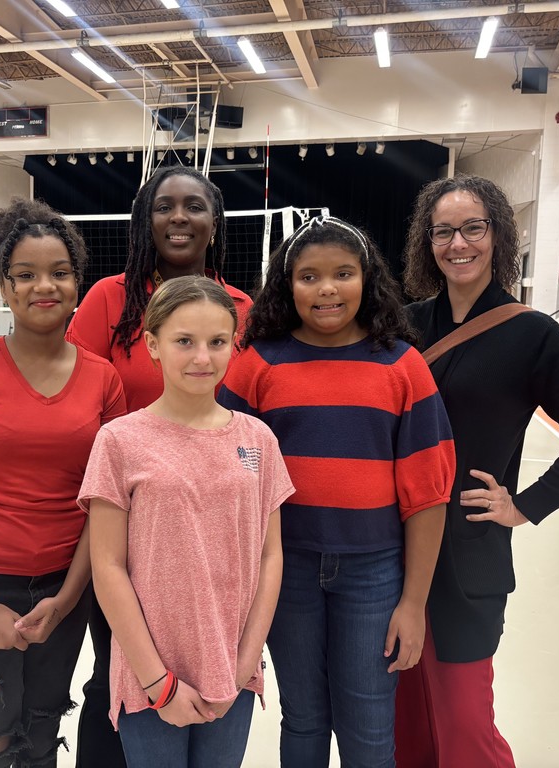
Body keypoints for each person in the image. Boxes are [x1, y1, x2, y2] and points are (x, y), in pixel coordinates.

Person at [396, 173, 559, 768]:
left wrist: (524, 505)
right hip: (390, 550)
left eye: (473, 228)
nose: (458, 244)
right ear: (427, 242)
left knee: (466, 728)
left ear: (499, 236)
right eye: (443, 231)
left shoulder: (532, 333)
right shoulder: (405, 326)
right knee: (404, 727)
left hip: (467, 554)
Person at [219, 215, 455, 768]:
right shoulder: (258, 364)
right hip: (285, 570)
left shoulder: (401, 364)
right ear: (287, 285)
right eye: (309, 277)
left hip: (375, 573)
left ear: (367, 280)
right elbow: (225, 472)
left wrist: (414, 603)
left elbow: (427, 493)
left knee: (370, 721)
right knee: (303, 716)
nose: (326, 289)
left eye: (343, 274)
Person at [0, 198, 126, 768]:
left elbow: (104, 504)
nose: (45, 287)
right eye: (26, 275)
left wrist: (65, 600)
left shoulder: (103, 380)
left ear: (77, 284)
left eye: (59, 273)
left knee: (39, 731)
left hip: (64, 586)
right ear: (5, 288)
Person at [66, 166, 253, 768]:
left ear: (214, 221)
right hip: (131, 529)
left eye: (194, 206)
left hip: (215, 539)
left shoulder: (243, 308)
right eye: (163, 206)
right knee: (117, 675)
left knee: (211, 677)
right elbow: (74, 398)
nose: (179, 217)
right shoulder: (109, 300)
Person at [81, 276, 294, 768]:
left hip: (232, 670)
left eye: (218, 342)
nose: (203, 357)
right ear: (153, 345)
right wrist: (158, 682)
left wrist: (244, 664)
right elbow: (107, 565)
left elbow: (270, 554)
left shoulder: (258, 440)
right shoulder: (119, 441)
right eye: (184, 342)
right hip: (149, 674)